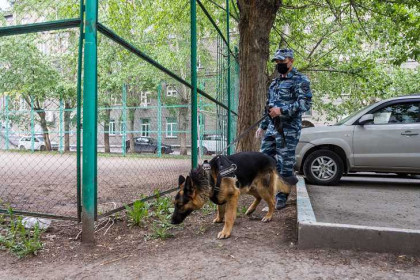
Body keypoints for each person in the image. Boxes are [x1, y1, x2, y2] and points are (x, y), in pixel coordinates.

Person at [255, 48, 312, 210]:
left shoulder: (301, 80)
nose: (279, 64)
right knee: (263, 160)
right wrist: (263, 125)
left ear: (291, 61)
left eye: (282, 61)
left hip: (289, 130)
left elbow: (304, 105)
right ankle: (266, 192)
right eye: (277, 62)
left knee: (285, 164)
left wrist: (282, 110)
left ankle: (281, 198)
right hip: (273, 129)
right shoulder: (275, 83)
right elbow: (269, 107)